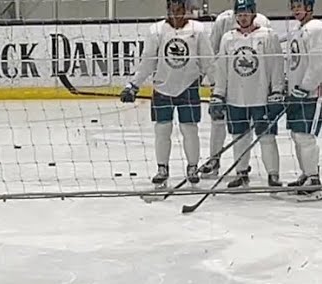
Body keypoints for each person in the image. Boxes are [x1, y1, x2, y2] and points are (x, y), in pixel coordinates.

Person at [120, 0, 211, 187]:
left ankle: (192, 167)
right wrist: (133, 85)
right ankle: (162, 168)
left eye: (180, 10)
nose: (177, 15)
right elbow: (148, 61)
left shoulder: (198, 30)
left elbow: (208, 61)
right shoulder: (156, 30)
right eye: (173, 10)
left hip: (188, 87)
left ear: (186, 10)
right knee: (162, 129)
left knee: (190, 129)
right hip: (162, 87)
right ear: (168, 10)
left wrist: (218, 89)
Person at [213, 0, 284, 190]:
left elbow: (276, 65)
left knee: (267, 137)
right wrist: (218, 94)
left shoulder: (268, 35)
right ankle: (241, 173)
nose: (243, 17)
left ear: (253, 14)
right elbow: (222, 68)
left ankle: (273, 174)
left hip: (261, 97)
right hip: (235, 97)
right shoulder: (228, 38)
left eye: (246, 13)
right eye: (240, 14)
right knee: (239, 135)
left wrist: (277, 90)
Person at [202, 0, 268, 178]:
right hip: (225, 83)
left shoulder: (262, 21)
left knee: (250, 127)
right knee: (218, 121)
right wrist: (216, 85)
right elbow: (212, 52)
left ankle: (243, 165)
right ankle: (214, 160)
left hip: (252, 86)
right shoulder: (223, 20)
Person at [284, 0, 322, 201]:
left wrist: (305, 86)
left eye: (300, 6)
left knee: (305, 136)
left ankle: (313, 180)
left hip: (313, 93)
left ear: (310, 8)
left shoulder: (316, 28)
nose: (296, 10)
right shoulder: (298, 29)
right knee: (297, 134)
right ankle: (306, 174)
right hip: (298, 92)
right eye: (294, 6)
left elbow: (320, 63)